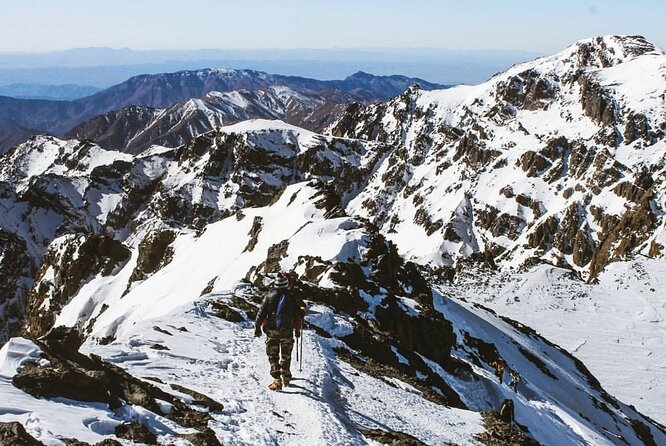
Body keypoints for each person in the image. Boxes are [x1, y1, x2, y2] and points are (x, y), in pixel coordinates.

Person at [255, 273, 306, 391]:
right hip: (287, 331)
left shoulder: (269, 296)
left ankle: (277, 380)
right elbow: (299, 315)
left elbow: (261, 312)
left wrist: (257, 326)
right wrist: (302, 312)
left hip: (272, 330)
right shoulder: (292, 298)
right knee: (286, 355)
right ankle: (286, 376)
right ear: (286, 285)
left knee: (273, 355)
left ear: (275, 284)